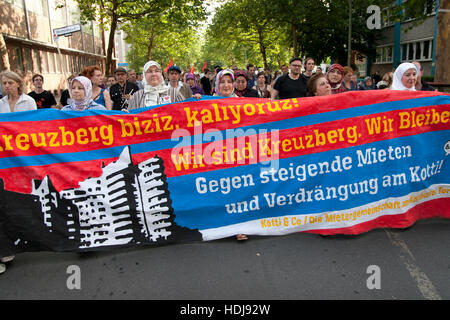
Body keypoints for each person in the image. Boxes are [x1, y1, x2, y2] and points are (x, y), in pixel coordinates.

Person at [0, 70, 38, 274]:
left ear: (17, 84)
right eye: (4, 83)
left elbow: (34, 127)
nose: (6, 86)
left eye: (10, 83)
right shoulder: (0, 104)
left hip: (26, 155)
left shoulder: (29, 102)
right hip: (7, 158)